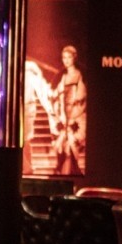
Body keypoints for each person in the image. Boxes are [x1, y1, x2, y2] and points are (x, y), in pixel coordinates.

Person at [51, 44, 87, 175]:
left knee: (71, 147)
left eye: (69, 57)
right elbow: (58, 96)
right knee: (62, 148)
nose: (66, 60)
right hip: (64, 115)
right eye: (64, 57)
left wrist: (73, 117)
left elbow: (81, 99)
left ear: (74, 58)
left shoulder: (78, 76)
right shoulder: (63, 77)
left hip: (75, 116)